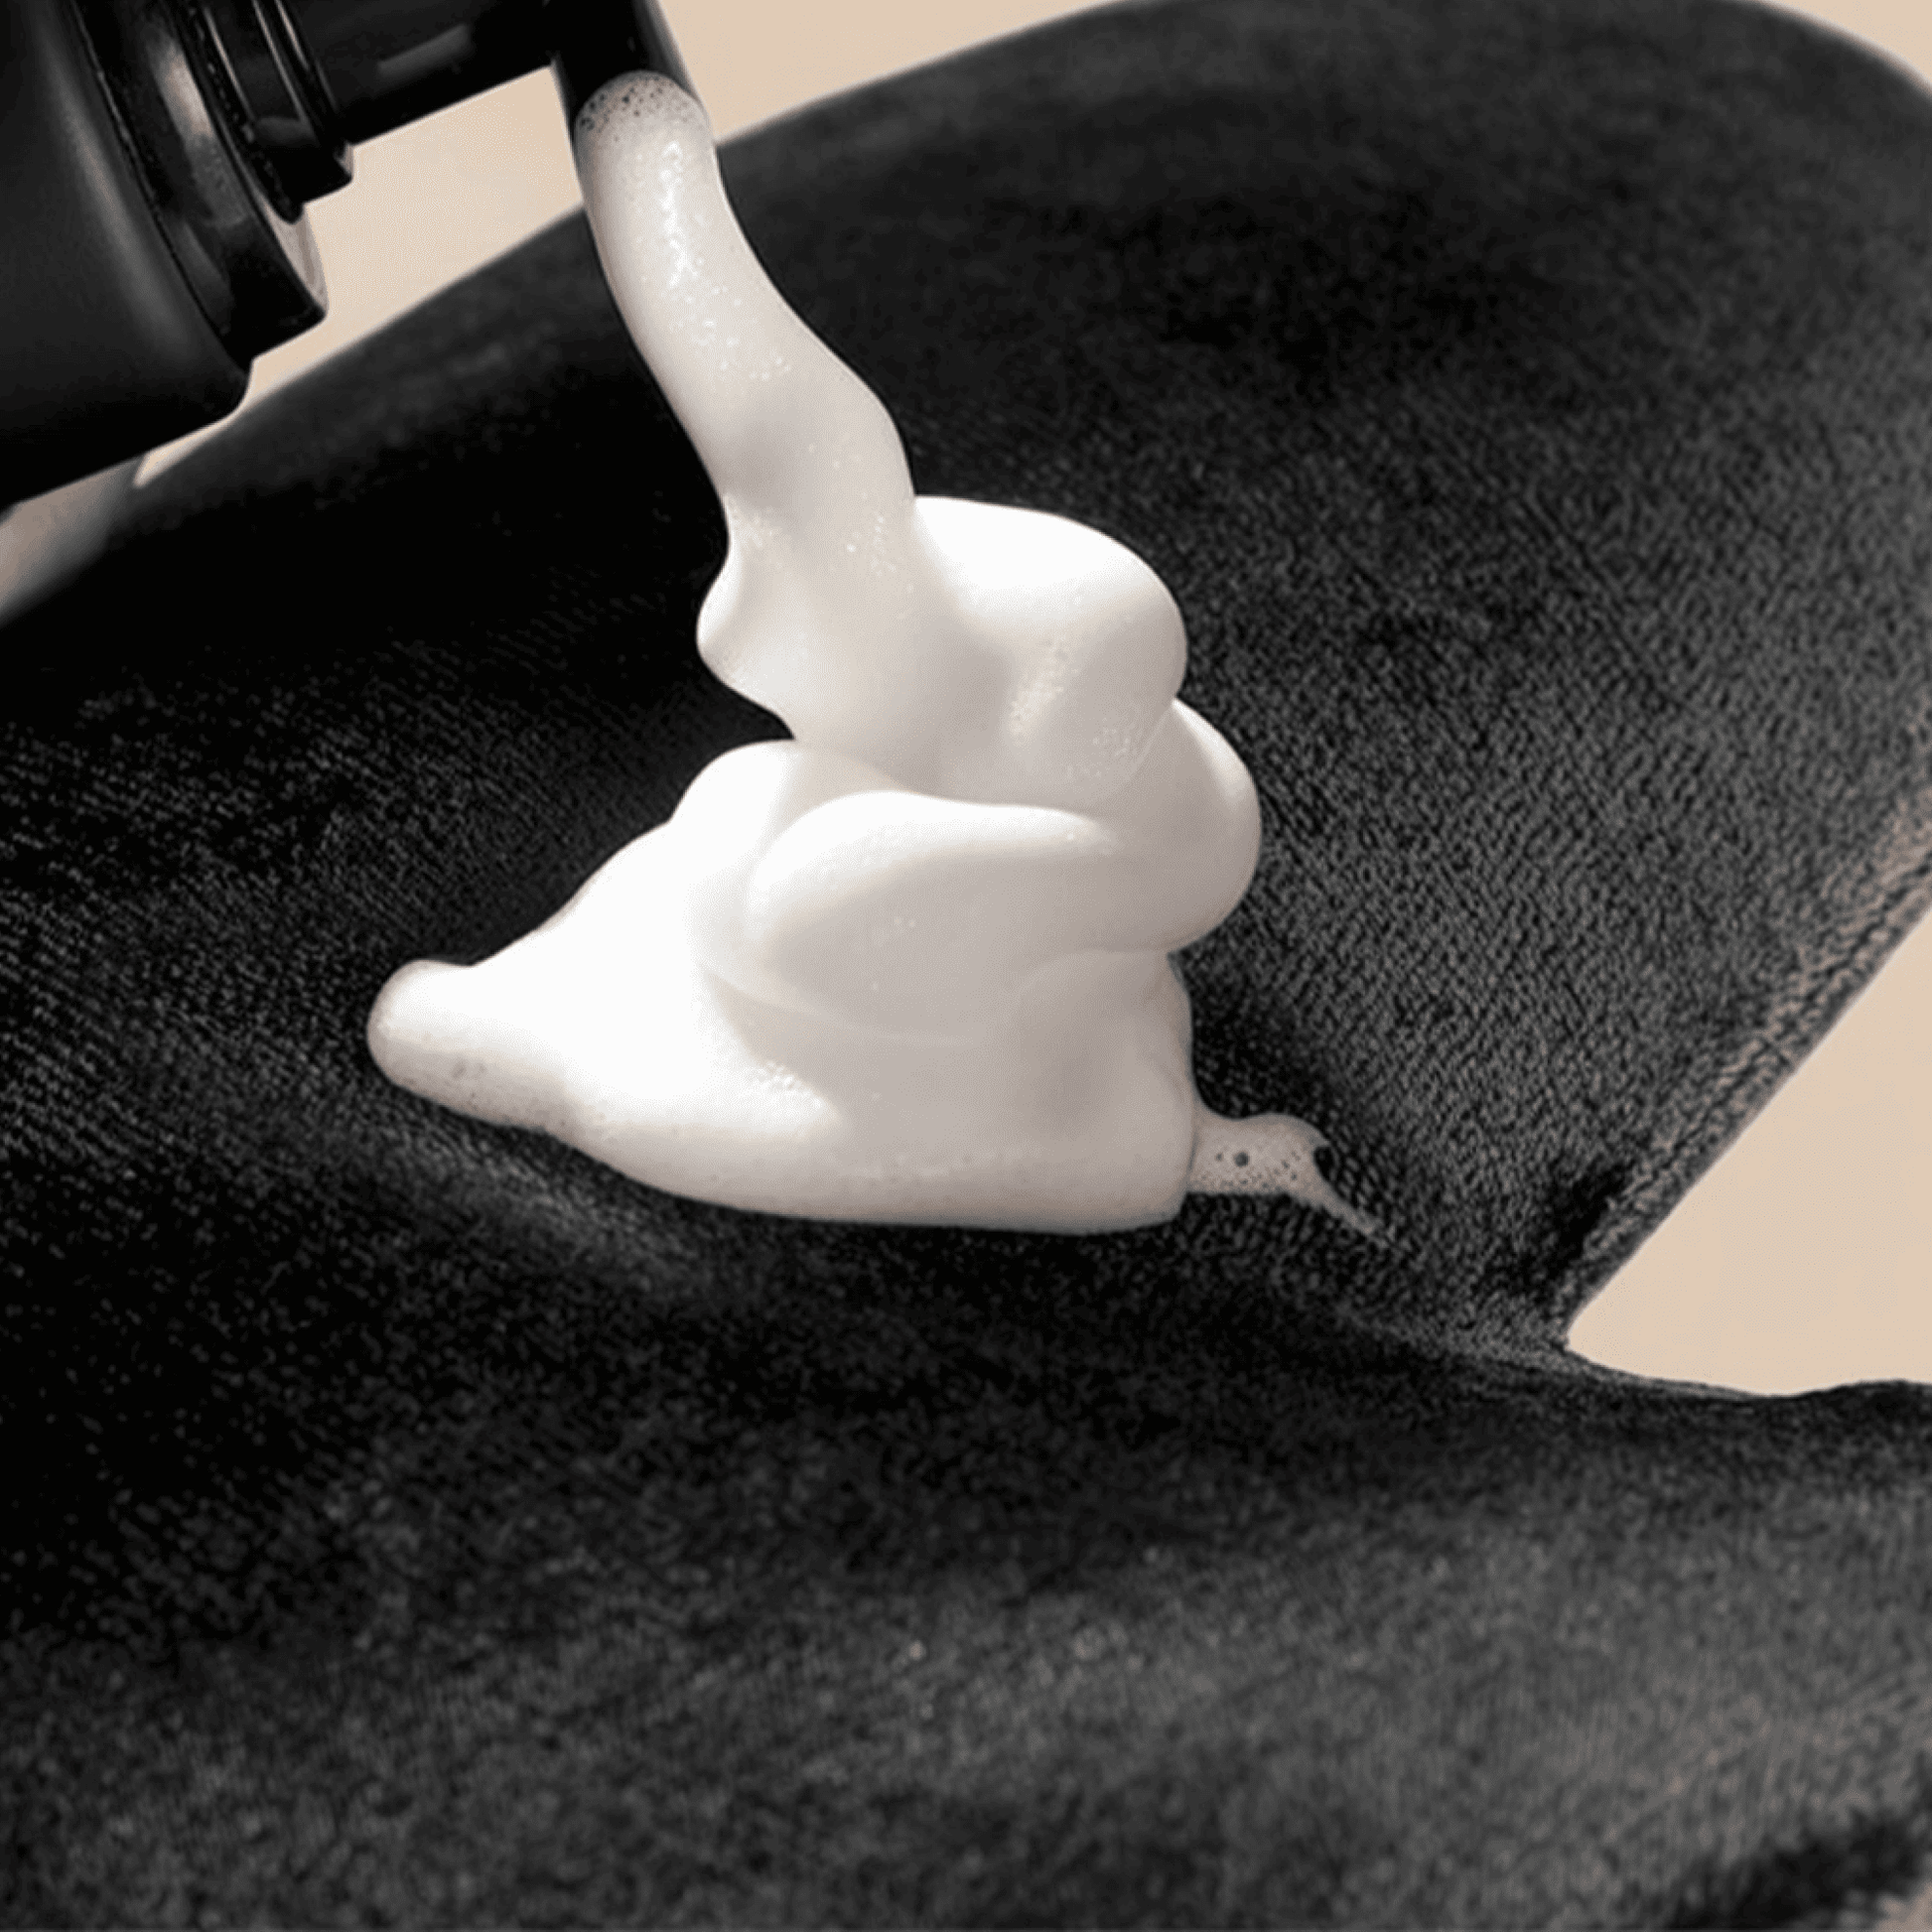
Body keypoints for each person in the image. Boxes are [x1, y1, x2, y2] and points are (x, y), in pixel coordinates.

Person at [7, 0, 1932, 1919]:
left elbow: (777, 435)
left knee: (1743, 150)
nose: (757, 626)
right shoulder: (967, 837)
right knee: (1751, 152)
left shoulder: (1041, 833)